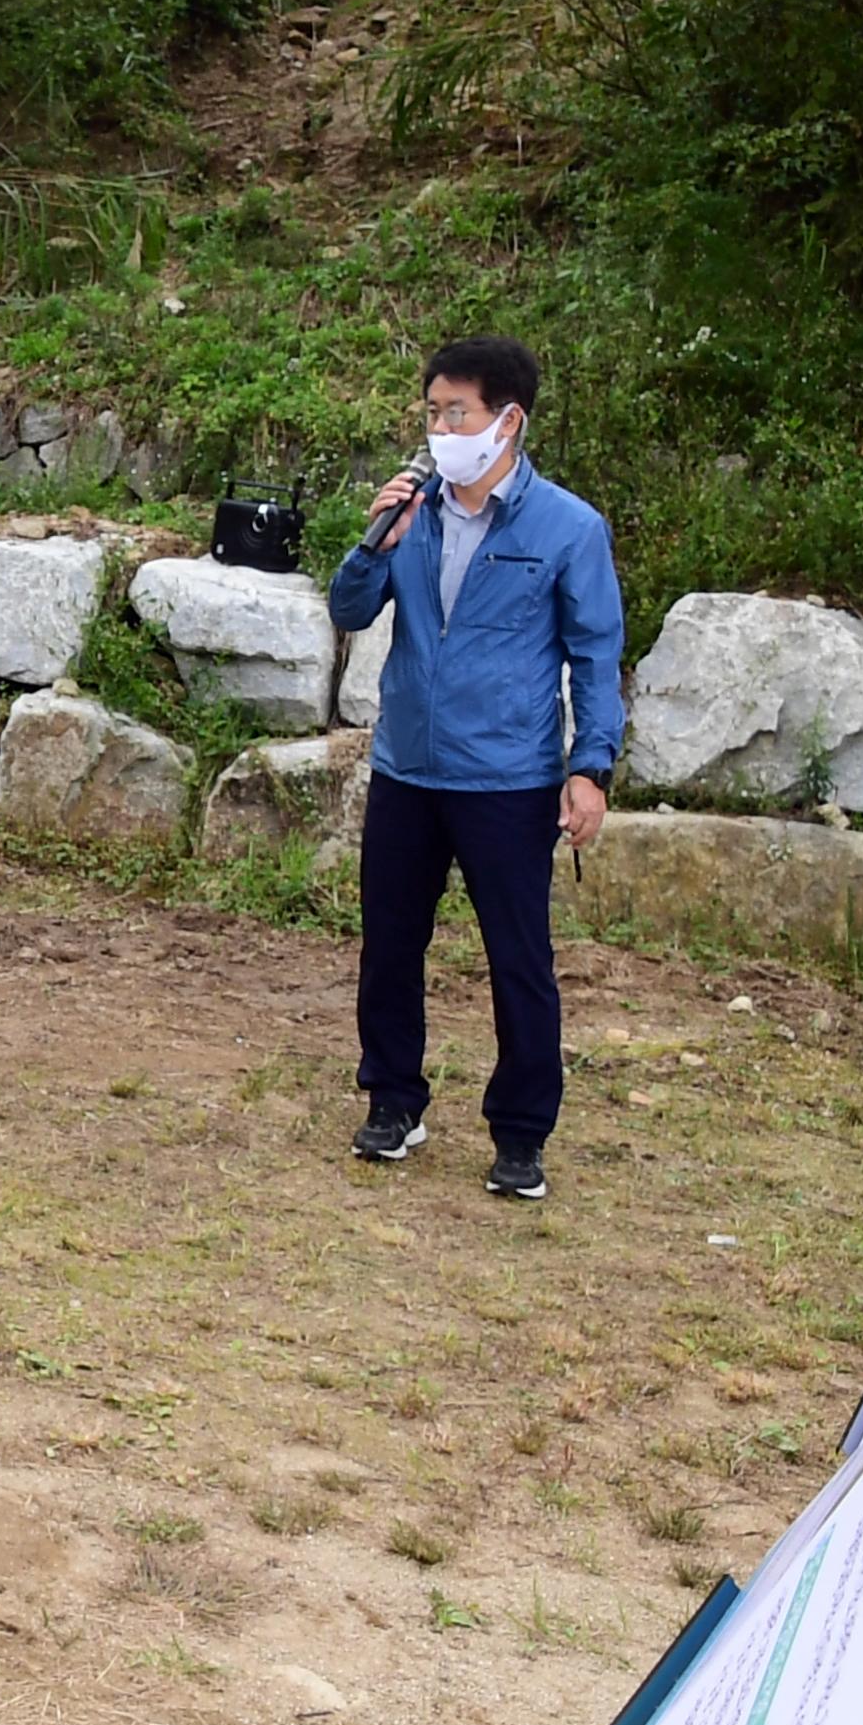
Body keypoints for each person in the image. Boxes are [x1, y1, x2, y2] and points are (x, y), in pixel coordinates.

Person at [329, 335, 625, 1201]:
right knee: (390, 943)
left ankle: (522, 1134)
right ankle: (393, 1100)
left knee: (518, 956)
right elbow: (348, 608)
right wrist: (375, 544)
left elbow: (595, 655)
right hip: (409, 769)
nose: (440, 428)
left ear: (507, 421)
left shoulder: (567, 528)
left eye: (455, 412)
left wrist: (590, 767)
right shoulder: (412, 510)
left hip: (508, 777)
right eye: (431, 413)